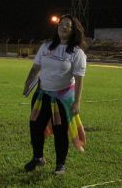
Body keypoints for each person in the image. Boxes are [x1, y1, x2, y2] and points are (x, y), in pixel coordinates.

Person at [22, 14, 86, 175]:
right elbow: (36, 67)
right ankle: (38, 158)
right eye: (61, 24)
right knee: (35, 127)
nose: (63, 27)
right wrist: (28, 82)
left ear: (73, 30)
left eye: (68, 25)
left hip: (62, 99)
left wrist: (77, 102)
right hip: (42, 95)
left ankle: (60, 165)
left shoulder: (77, 53)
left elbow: (79, 79)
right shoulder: (46, 46)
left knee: (60, 131)